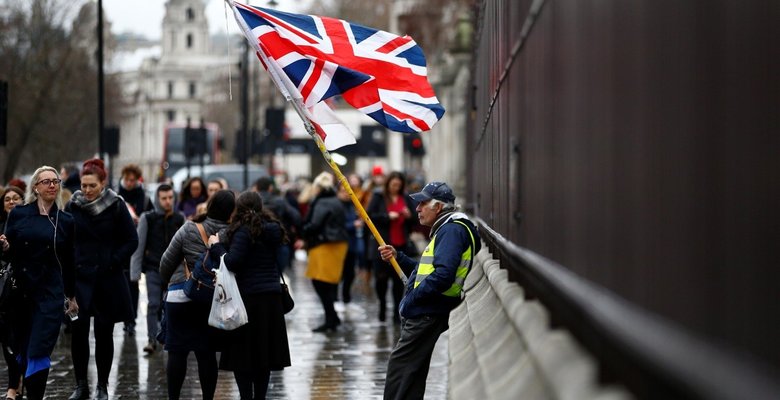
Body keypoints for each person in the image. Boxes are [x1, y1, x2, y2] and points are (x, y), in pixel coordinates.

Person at [379, 181, 480, 400]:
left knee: (401, 367)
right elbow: (427, 270)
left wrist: (412, 299)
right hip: (429, 308)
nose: (417, 208)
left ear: (438, 206)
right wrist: (398, 257)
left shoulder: (451, 231)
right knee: (412, 370)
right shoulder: (449, 228)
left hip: (427, 310)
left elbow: (443, 275)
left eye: (422, 203)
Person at [0, 167, 77, 400]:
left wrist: (72, 296)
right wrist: (5, 246)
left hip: (49, 293)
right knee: (21, 349)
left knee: (39, 349)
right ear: (36, 187)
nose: (52, 186)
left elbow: (70, 260)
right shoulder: (20, 214)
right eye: (46, 182)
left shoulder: (65, 221)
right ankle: (21, 383)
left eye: (55, 181)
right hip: (21, 291)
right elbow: (8, 251)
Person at [206, 191, 291, 399]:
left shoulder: (244, 231)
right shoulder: (273, 229)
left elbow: (233, 262)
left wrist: (216, 247)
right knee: (264, 356)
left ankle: (246, 397)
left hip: (247, 299)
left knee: (243, 356)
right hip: (270, 300)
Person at [66, 159, 138, 400]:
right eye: (84, 185)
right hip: (78, 279)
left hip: (106, 279)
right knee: (78, 333)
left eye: (92, 186)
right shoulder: (72, 205)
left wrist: (113, 261)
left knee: (104, 333)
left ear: (103, 183)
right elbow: (65, 240)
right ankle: (81, 385)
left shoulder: (116, 205)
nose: (86, 191)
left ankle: (102, 386)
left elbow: (131, 240)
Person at [159, 190, 235, 400]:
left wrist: (179, 277)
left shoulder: (188, 228)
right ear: (231, 212)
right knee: (206, 353)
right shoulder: (232, 234)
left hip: (180, 297)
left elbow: (164, 266)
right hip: (211, 300)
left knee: (177, 352)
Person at [129, 184, 185, 354]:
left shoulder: (179, 218)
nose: (168, 202)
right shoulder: (148, 218)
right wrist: (135, 272)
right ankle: (152, 339)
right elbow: (139, 245)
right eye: (164, 198)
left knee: (170, 304)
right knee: (153, 304)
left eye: (170, 198)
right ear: (157, 199)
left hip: (175, 270)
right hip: (153, 267)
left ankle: (169, 337)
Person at [299, 172, 348, 332]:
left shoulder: (322, 202)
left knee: (320, 282)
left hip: (324, 245)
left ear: (318, 187)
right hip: (335, 244)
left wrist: (303, 231)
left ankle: (331, 318)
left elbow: (314, 224)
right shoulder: (335, 200)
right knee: (325, 283)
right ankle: (332, 317)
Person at [366, 171, 418, 323]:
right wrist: (387, 216)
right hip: (382, 246)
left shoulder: (406, 198)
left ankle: (396, 311)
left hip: (401, 244)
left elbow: (415, 219)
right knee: (381, 280)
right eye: (393, 184)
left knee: (398, 281)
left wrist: (409, 216)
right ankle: (382, 306)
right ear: (388, 184)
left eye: (399, 185)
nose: (396, 187)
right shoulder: (378, 197)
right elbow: (369, 217)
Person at [118, 164, 154, 337]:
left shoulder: (145, 198)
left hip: (139, 246)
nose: (130, 183)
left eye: (133, 180)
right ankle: (126, 318)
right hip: (120, 245)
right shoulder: (116, 196)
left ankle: (131, 320)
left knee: (133, 284)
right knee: (122, 282)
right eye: (128, 179)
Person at [0, 186, 24, 400]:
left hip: (22, 289)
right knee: (5, 339)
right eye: (7, 199)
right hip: (2, 291)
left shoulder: (28, 224)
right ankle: (15, 382)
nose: (12, 201)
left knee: (16, 339)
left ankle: (13, 387)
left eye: (16, 198)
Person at [253, 177, 301, 272]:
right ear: (270, 188)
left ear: (256, 188)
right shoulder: (280, 201)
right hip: (279, 243)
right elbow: (296, 217)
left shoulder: (253, 202)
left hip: (257, 244)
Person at [337, 183, 363, 304]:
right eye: (343, 191)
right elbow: (337, 226)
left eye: (347, 191)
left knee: (350, 274)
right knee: (339, 274)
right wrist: (353, 225)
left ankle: (346, 298)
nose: (346, 194)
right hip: (339, 244)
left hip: (351, 244)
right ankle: (336, 298)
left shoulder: (352, 205)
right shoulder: (336, 206)